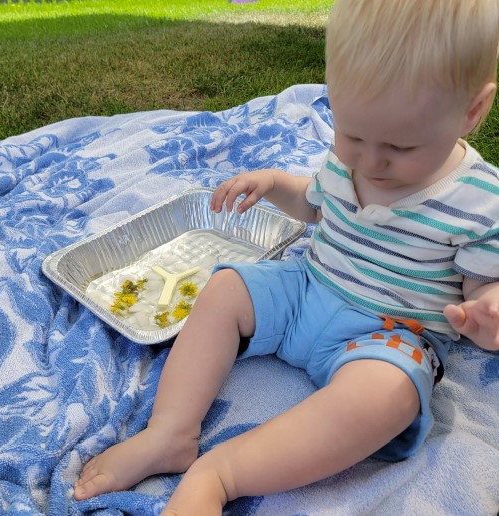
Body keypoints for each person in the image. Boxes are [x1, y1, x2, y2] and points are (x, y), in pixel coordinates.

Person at [73, 0, 499, 512]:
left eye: (400, 147)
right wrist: (274, 184)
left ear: (472, 111)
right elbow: (316, 206)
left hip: (392, 332)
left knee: (389, 394)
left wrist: (486, 313)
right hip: (306, 289)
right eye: (352, 134)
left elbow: (483, 287)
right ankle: (170, 432)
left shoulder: (479, 202)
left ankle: (224, 472)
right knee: (227, 286)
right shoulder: (350, 158)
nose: (369, 160)